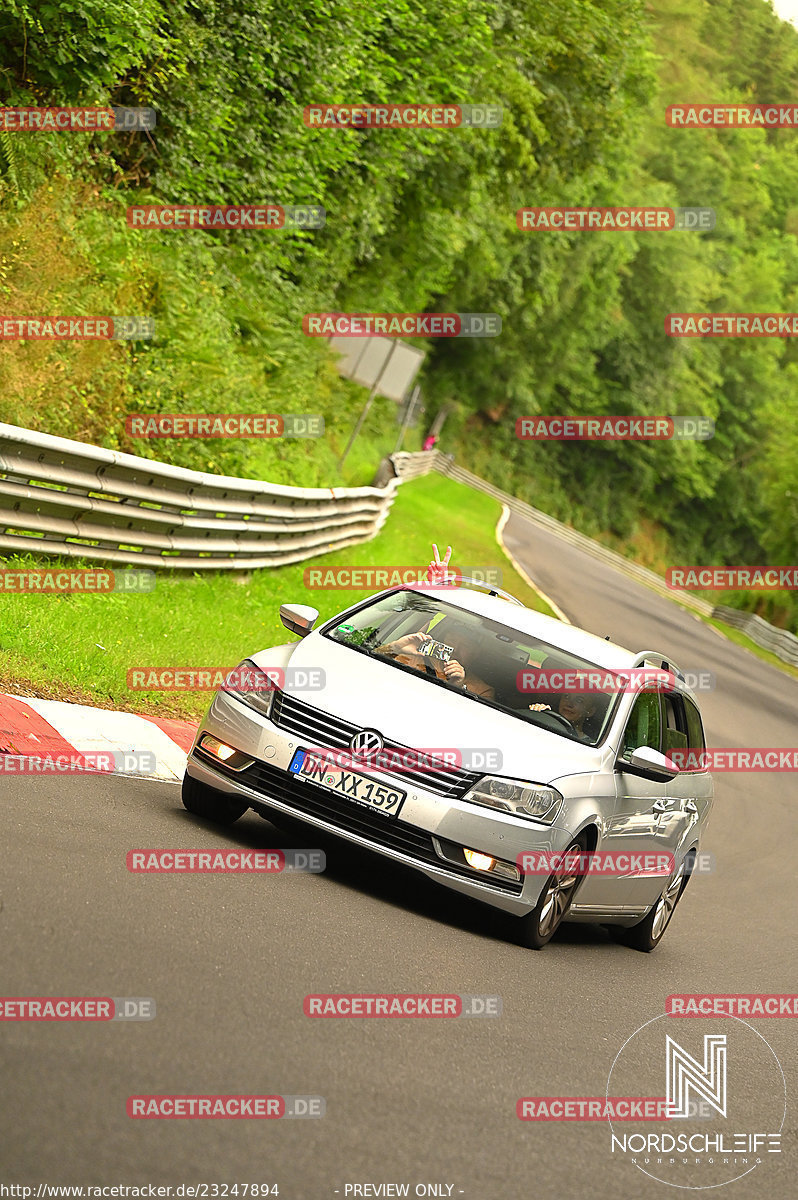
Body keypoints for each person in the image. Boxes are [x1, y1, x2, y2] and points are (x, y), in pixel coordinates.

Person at [375, 628, 495, 700]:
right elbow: (372, 664)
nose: (455, 649)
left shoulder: (482, 691)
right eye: (452, 641)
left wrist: (457, 687)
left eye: (466, 646)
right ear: (444, 641)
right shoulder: (415, 656)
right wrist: (394, 647)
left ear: (476, 653)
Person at [528, 692, 599, 740]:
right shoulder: (544, 721)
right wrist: (536, 715)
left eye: (579, 700)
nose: (569, 704)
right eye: (566, 696)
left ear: (590, 711)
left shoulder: (588, 744)